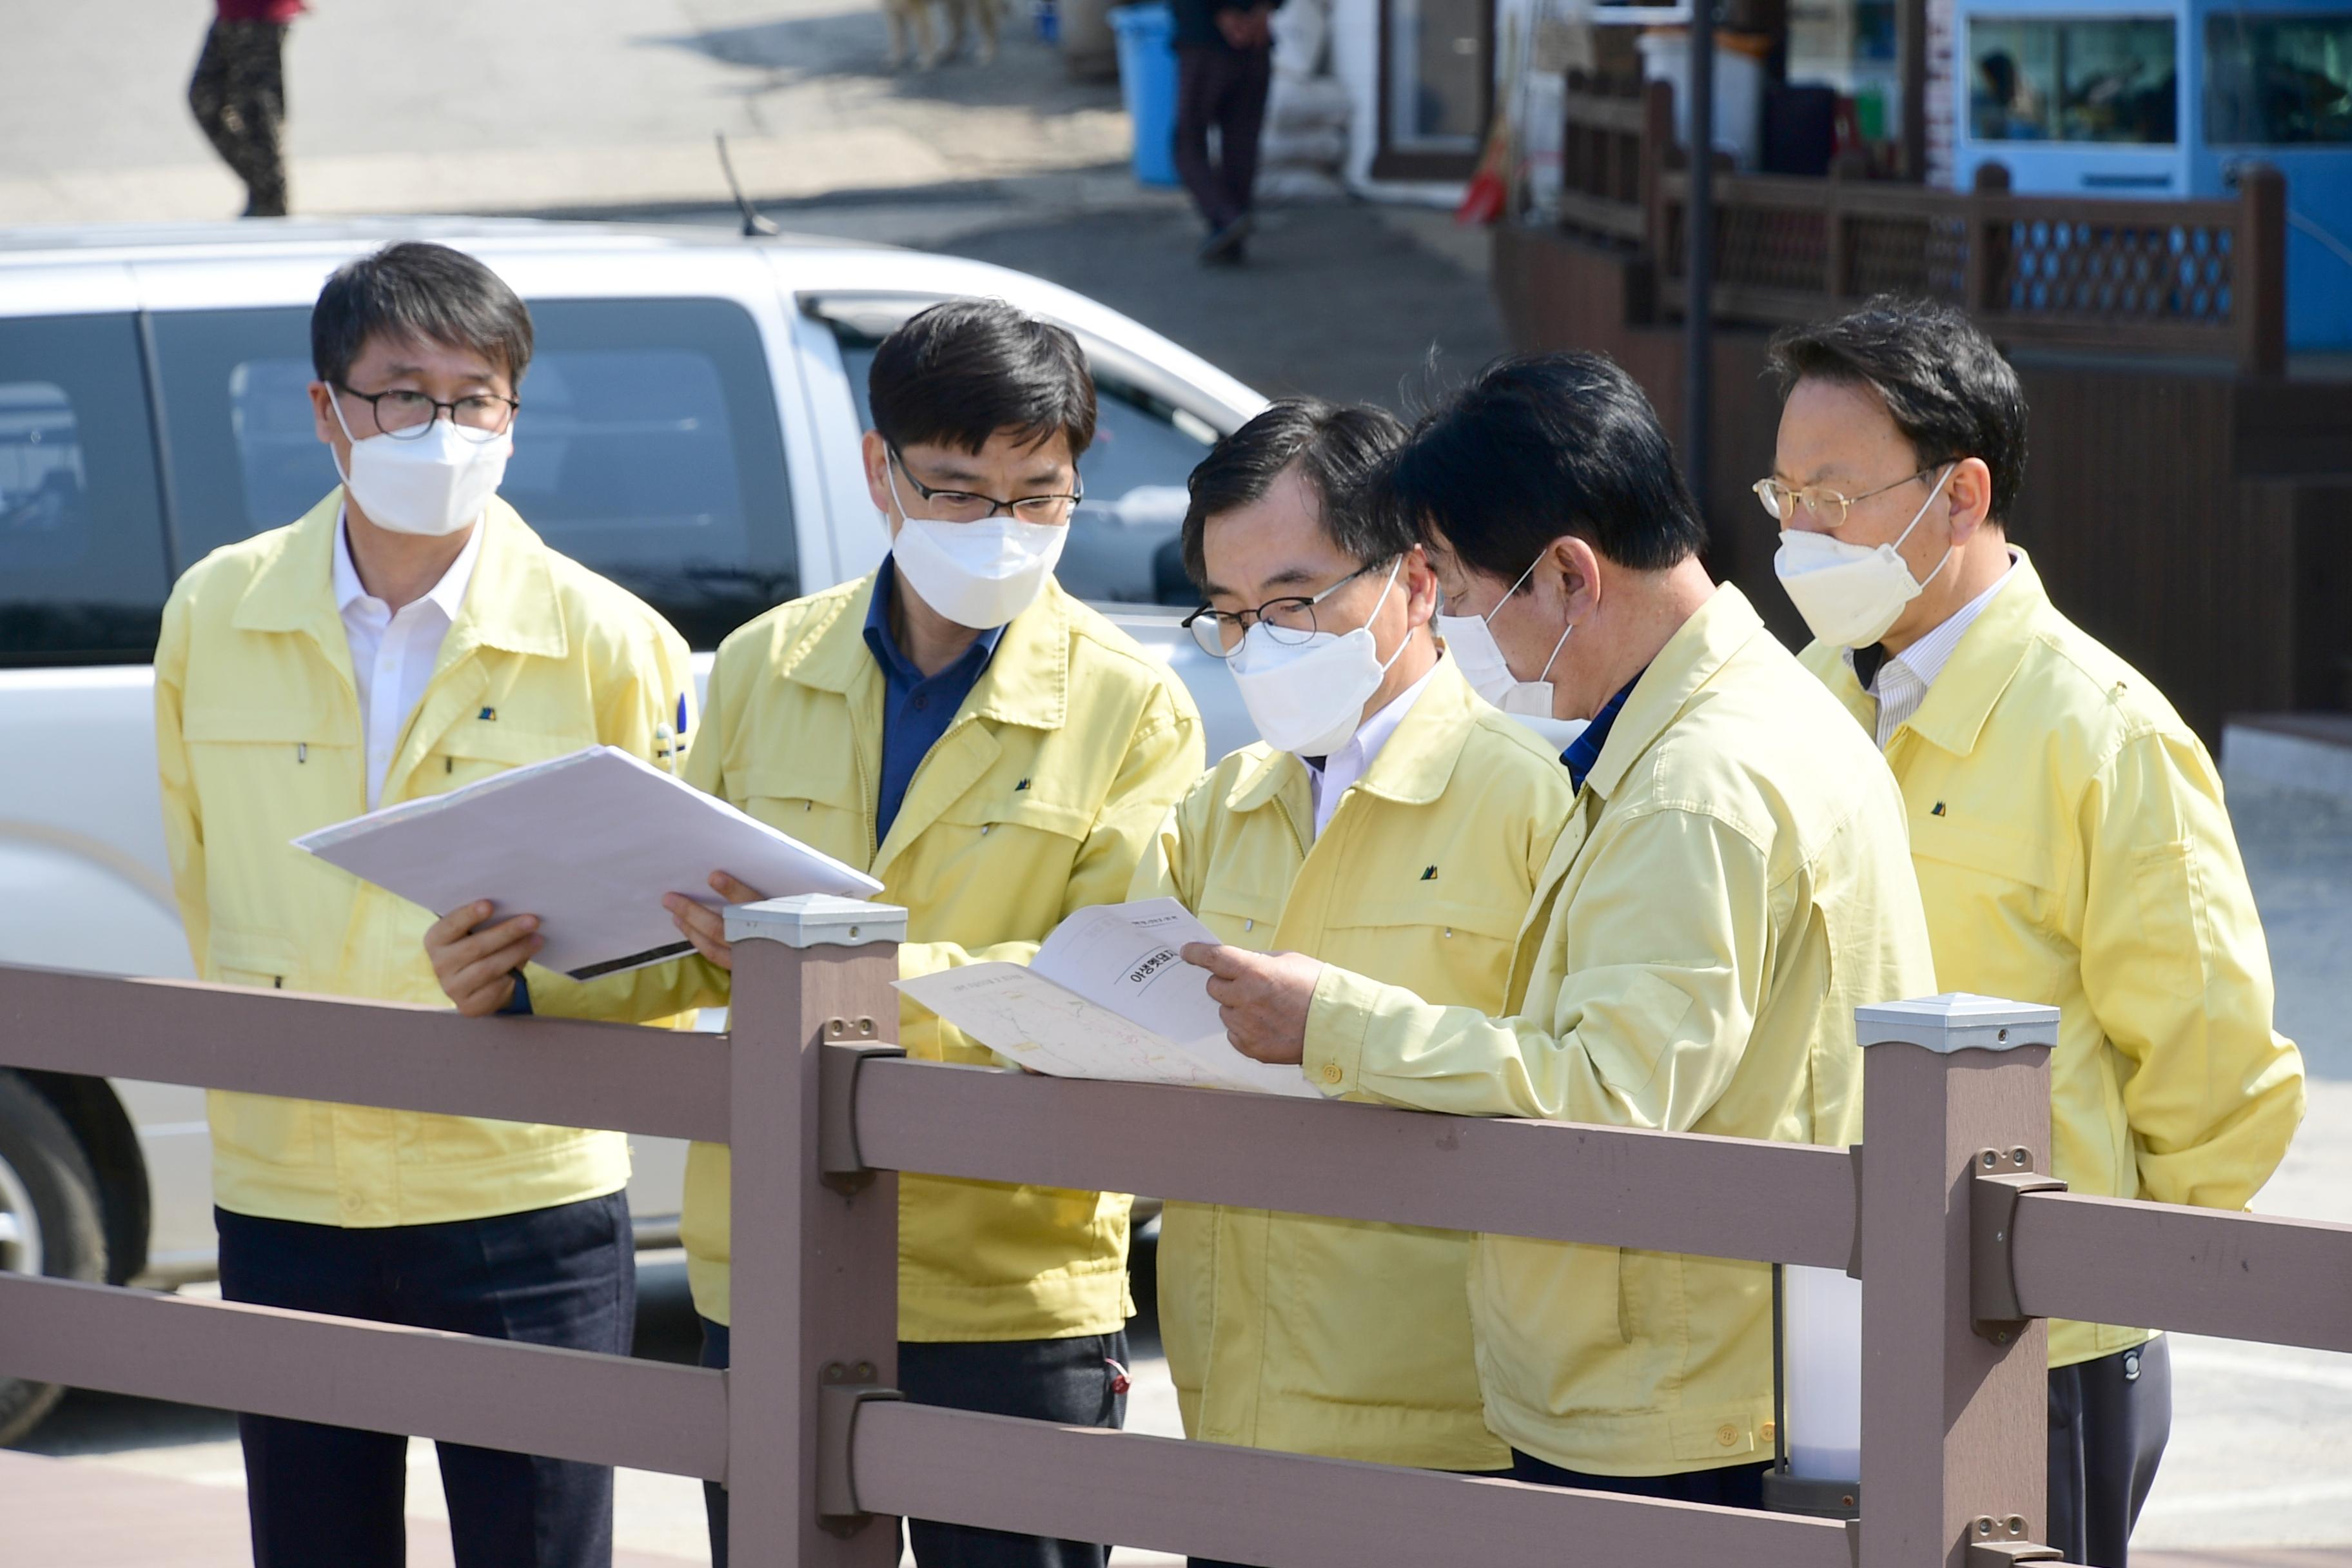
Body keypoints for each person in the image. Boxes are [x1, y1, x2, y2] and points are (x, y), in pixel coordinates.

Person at [424, 299, 1206, 1568]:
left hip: (1007, 1286)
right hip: (775, 1259)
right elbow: (684, 929)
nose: (997, 530)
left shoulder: (1136, 708)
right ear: (876, 468)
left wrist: (828, 969)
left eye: (1036, 496)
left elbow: (1099, 991)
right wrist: (523, 976)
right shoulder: (763, 663)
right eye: (955, 491)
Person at [1184, 352, 1938, 1504]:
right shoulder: (1765, 709)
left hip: (1680, 1399)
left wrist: (1336, 1021)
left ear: (1570, 575)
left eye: (1471, 596)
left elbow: (1609, 1089)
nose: (1469, 635)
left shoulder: (1695, 778)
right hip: (1727, 1361)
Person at [153, 241, 698, 1568]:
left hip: (522, 1190)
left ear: (516, 411)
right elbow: (203, 881)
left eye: (475, 396)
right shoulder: (215, 611)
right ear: (325, 407)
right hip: (288, 1187)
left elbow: (677, 933)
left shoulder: (608, 636)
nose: (440, 428)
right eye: (401, 393)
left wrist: (535, 982)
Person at [1763, 297, 2306, 1568]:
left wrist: (2080, 1281)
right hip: (1819, 1315)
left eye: (1834, 496)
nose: (1799, 532)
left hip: (2040, 1348)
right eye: (1782, 494)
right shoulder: (1797, 700)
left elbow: (2219, 1086)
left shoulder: (2102, 733)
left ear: (1961, 493)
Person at [1136, 400, 1576, 1565]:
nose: (1260, 642)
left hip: (1437, 1426)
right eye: (1230, 617)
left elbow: (1574, 1082)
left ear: (1416, 582)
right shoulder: (1218, 806)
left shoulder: (1533, 799)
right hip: (1226, 1409)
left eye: (1292, 602)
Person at [1171, 0, 1282, 264]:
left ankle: (1227, 218)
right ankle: (1231, 236)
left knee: (1187, 142)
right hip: (1253, 44)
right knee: (1241, 143)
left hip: (1206, 44)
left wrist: (1223, 13)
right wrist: (1262, 10)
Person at [189, 0, 303, 218]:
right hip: (233, 12)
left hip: (260, 13)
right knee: (205, 97)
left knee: (255, 108)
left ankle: (271, 198)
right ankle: (264, 189)